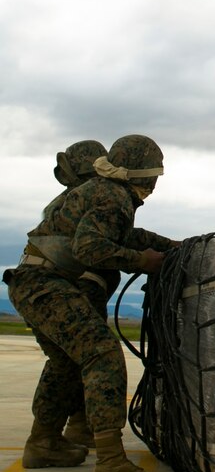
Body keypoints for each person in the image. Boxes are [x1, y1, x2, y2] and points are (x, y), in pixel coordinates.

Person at [4, 134, 179, 472]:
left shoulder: (105, 192)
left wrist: (174, 247)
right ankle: (112, 466)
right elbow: (91, 247)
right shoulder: (113, 195)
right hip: (47, 284)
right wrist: (142, 262)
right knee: (102, 354)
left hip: (31, 281)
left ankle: (44, 442)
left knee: (66, 362)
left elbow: (128, 234)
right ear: (145, 176)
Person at [43, 140, 121, 448]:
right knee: (94, 355)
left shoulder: (71, 199)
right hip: (76, 287)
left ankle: (74, 427)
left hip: (79, 286)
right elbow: (93, 250)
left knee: (69, 361)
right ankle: (76, 433)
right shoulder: (92, 199)